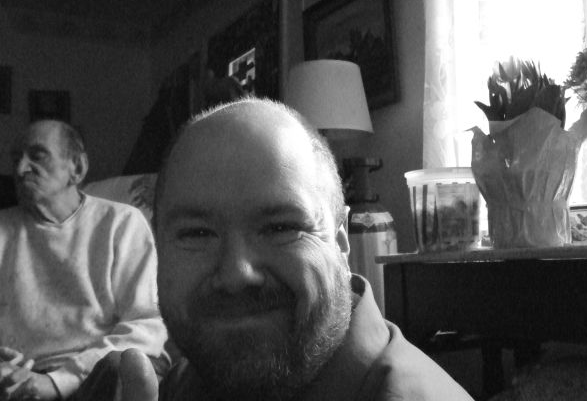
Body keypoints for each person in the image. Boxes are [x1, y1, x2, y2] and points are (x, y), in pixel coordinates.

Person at [114, 98, 473, 401]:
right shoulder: (177, 386)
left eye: (280, 227)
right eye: (196, 233)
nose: (236, 274)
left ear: (341, 239)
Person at [0, 119, 168, 400]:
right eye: (16, 159)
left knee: (122, 368)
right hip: (24, 378)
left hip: (102, 369)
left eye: (37, 156)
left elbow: (147, 324)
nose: (20, 169)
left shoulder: (120, 223)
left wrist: (58, 382)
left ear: (77, 168)